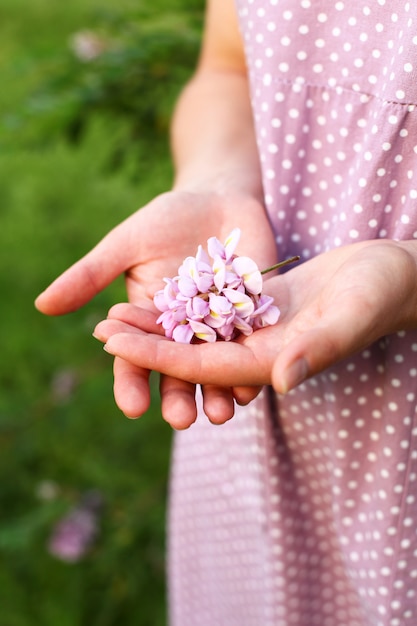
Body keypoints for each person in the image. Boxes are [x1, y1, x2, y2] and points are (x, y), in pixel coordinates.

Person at [35, 0, 417, 624]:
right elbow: (227, 70)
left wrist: (407, 280)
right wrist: (214, 181)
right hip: (251, 390)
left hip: (400, 441)